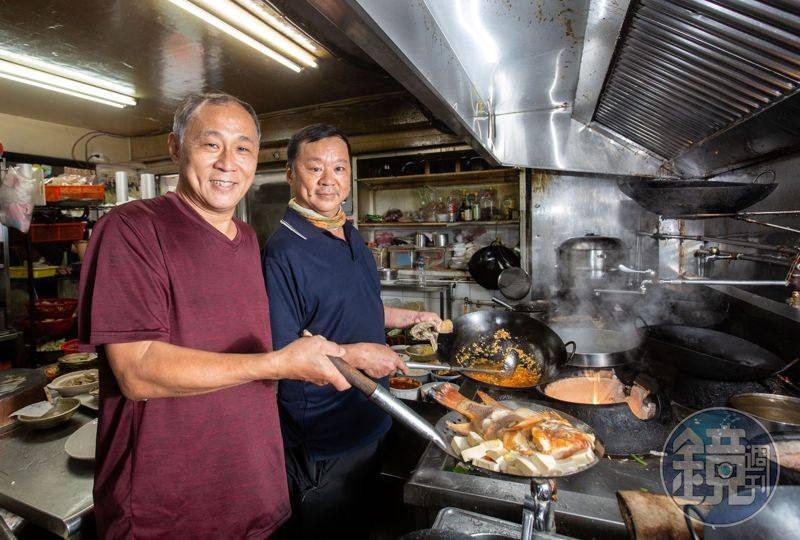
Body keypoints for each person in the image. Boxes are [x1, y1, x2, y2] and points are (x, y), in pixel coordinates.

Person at [77, 93, 350, 539]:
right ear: (175, 147)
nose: (228, 163)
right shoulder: (132, 229)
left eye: (242, 148)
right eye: (211, 144)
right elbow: (137, 371)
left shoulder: (247, 238)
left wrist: (340, 353)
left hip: (255, 493)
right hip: (167, 510)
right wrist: (275, 364)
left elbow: (248, 337)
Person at [262, 123, 442, 539]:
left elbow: (354, 306)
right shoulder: (282, 252)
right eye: (315, 168)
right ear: (290, 174)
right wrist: (357, 356)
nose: (329, 180)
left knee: (365, 525)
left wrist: (406, 318)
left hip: (372, 415)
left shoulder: (349, 232)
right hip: (325, 436)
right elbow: (282, 353)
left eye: (339, 168)